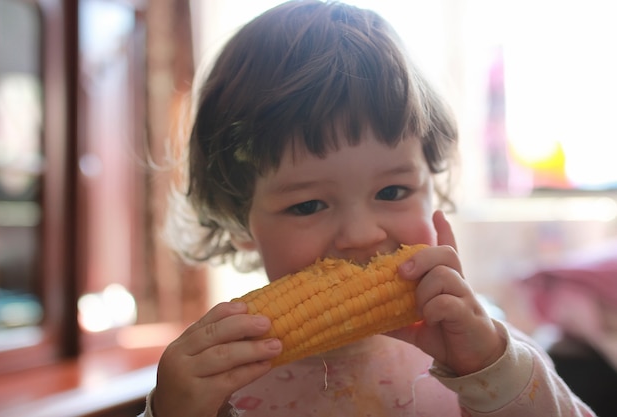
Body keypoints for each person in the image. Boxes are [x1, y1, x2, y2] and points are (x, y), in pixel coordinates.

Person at [141, 1, 597, 416]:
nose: (361, 235)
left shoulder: (483, 345)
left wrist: (493, 367)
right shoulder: (221, 388)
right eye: (309, 204)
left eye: (393, 192)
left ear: (432, 187)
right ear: (239, 219)